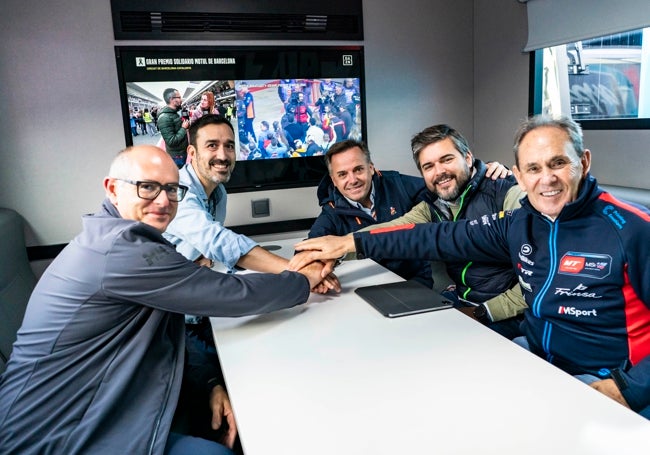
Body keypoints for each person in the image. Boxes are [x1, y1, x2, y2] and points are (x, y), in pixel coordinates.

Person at [291, 115, 650, 419]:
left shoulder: (632, 229)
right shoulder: (518, 222)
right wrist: (348, 243)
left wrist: (628, 389)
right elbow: (428, 236)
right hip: (536, 356)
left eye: (558, 163)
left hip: (603, 378)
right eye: (533, 168)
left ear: (583, 162)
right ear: (520, 174)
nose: (547, 179)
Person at [0, 145, 327, 453]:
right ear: (112, 189)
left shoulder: (118, 238)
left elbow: (171, 330)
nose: (163, 200)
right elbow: (228, 293)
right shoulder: (122, 249)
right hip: (51, 435)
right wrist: (301, 280)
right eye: (147, 187)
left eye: (172, 189)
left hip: (94, 405)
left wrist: (209, 381)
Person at [163, 114, 339, 355]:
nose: (223, 156)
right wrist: (296, 270)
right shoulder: (179, 192)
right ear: (192, 153)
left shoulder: (218, 192)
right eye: (212, 145)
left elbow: (208, 243)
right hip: (173, 321)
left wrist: (200, 256)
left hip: (199, 307)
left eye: (230, 146)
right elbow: (218, 240)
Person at [354, 124, 527, 339]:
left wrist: (483, 312)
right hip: (463, 301)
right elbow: (392, 231)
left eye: (447, 160)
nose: (439, 172)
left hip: (510, 315)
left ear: (468, 158)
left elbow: (538, 279)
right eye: (428, 166)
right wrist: (336, 248)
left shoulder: (506, 192)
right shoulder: (433, 205)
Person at [158, 88, 190, 167]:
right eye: (179, 97)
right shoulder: (164, 118)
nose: (181, 99)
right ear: (172, 99)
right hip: (176, 156)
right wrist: (183, 128)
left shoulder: (173, 114)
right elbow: (171, 141)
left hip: (181, 152)